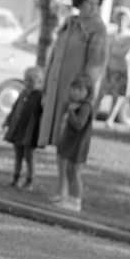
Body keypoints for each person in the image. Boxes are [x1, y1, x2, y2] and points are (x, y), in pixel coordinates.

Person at [38, 0, 108, 205]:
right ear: (79, 2)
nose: (92, 8)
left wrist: (82, 95)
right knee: (59, 141)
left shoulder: (98, 30)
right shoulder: (70, 24)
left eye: (96, 4)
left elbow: (95, 65)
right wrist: (46, 88)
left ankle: (71, 194)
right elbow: (54, 56)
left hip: (76, 96)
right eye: (88, 3)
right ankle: (61, 189)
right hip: (58, 89)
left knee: (69, 143)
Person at [54, 73, 95, 213]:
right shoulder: (73, 104)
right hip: (70, 143)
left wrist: (71, 112)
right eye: (74, 88)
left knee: (75, 173)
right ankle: (69, 198)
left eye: (80, 89)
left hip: (79, 145)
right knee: (69, 171)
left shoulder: (85, 107)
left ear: (88, 92)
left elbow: (79, 124)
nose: (76, 92)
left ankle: (76, 201)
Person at [2, 65, 44, 189]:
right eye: (26, 80)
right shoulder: (23, 94)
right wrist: (8, 121)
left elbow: (41, 113)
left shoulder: (39, 97)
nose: (28, 83)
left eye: (31, 81)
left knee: (29, 157)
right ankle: (16, 178)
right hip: (18, 130)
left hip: (30, 132)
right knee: (18, 156)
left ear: (39, 82)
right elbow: (15, 109)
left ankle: (29, 180)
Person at [102, 6, 130, 129]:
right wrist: (114, 49)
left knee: (117, 96)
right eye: (120, 19)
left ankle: (110, 119)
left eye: (124, 19)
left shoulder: (129, 37)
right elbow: (107, 50)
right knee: (101, 94)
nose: (121, 21)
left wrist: (113, 49)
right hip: (109, 68)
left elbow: (122, 53)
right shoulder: (110, 35)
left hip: (121, 70)